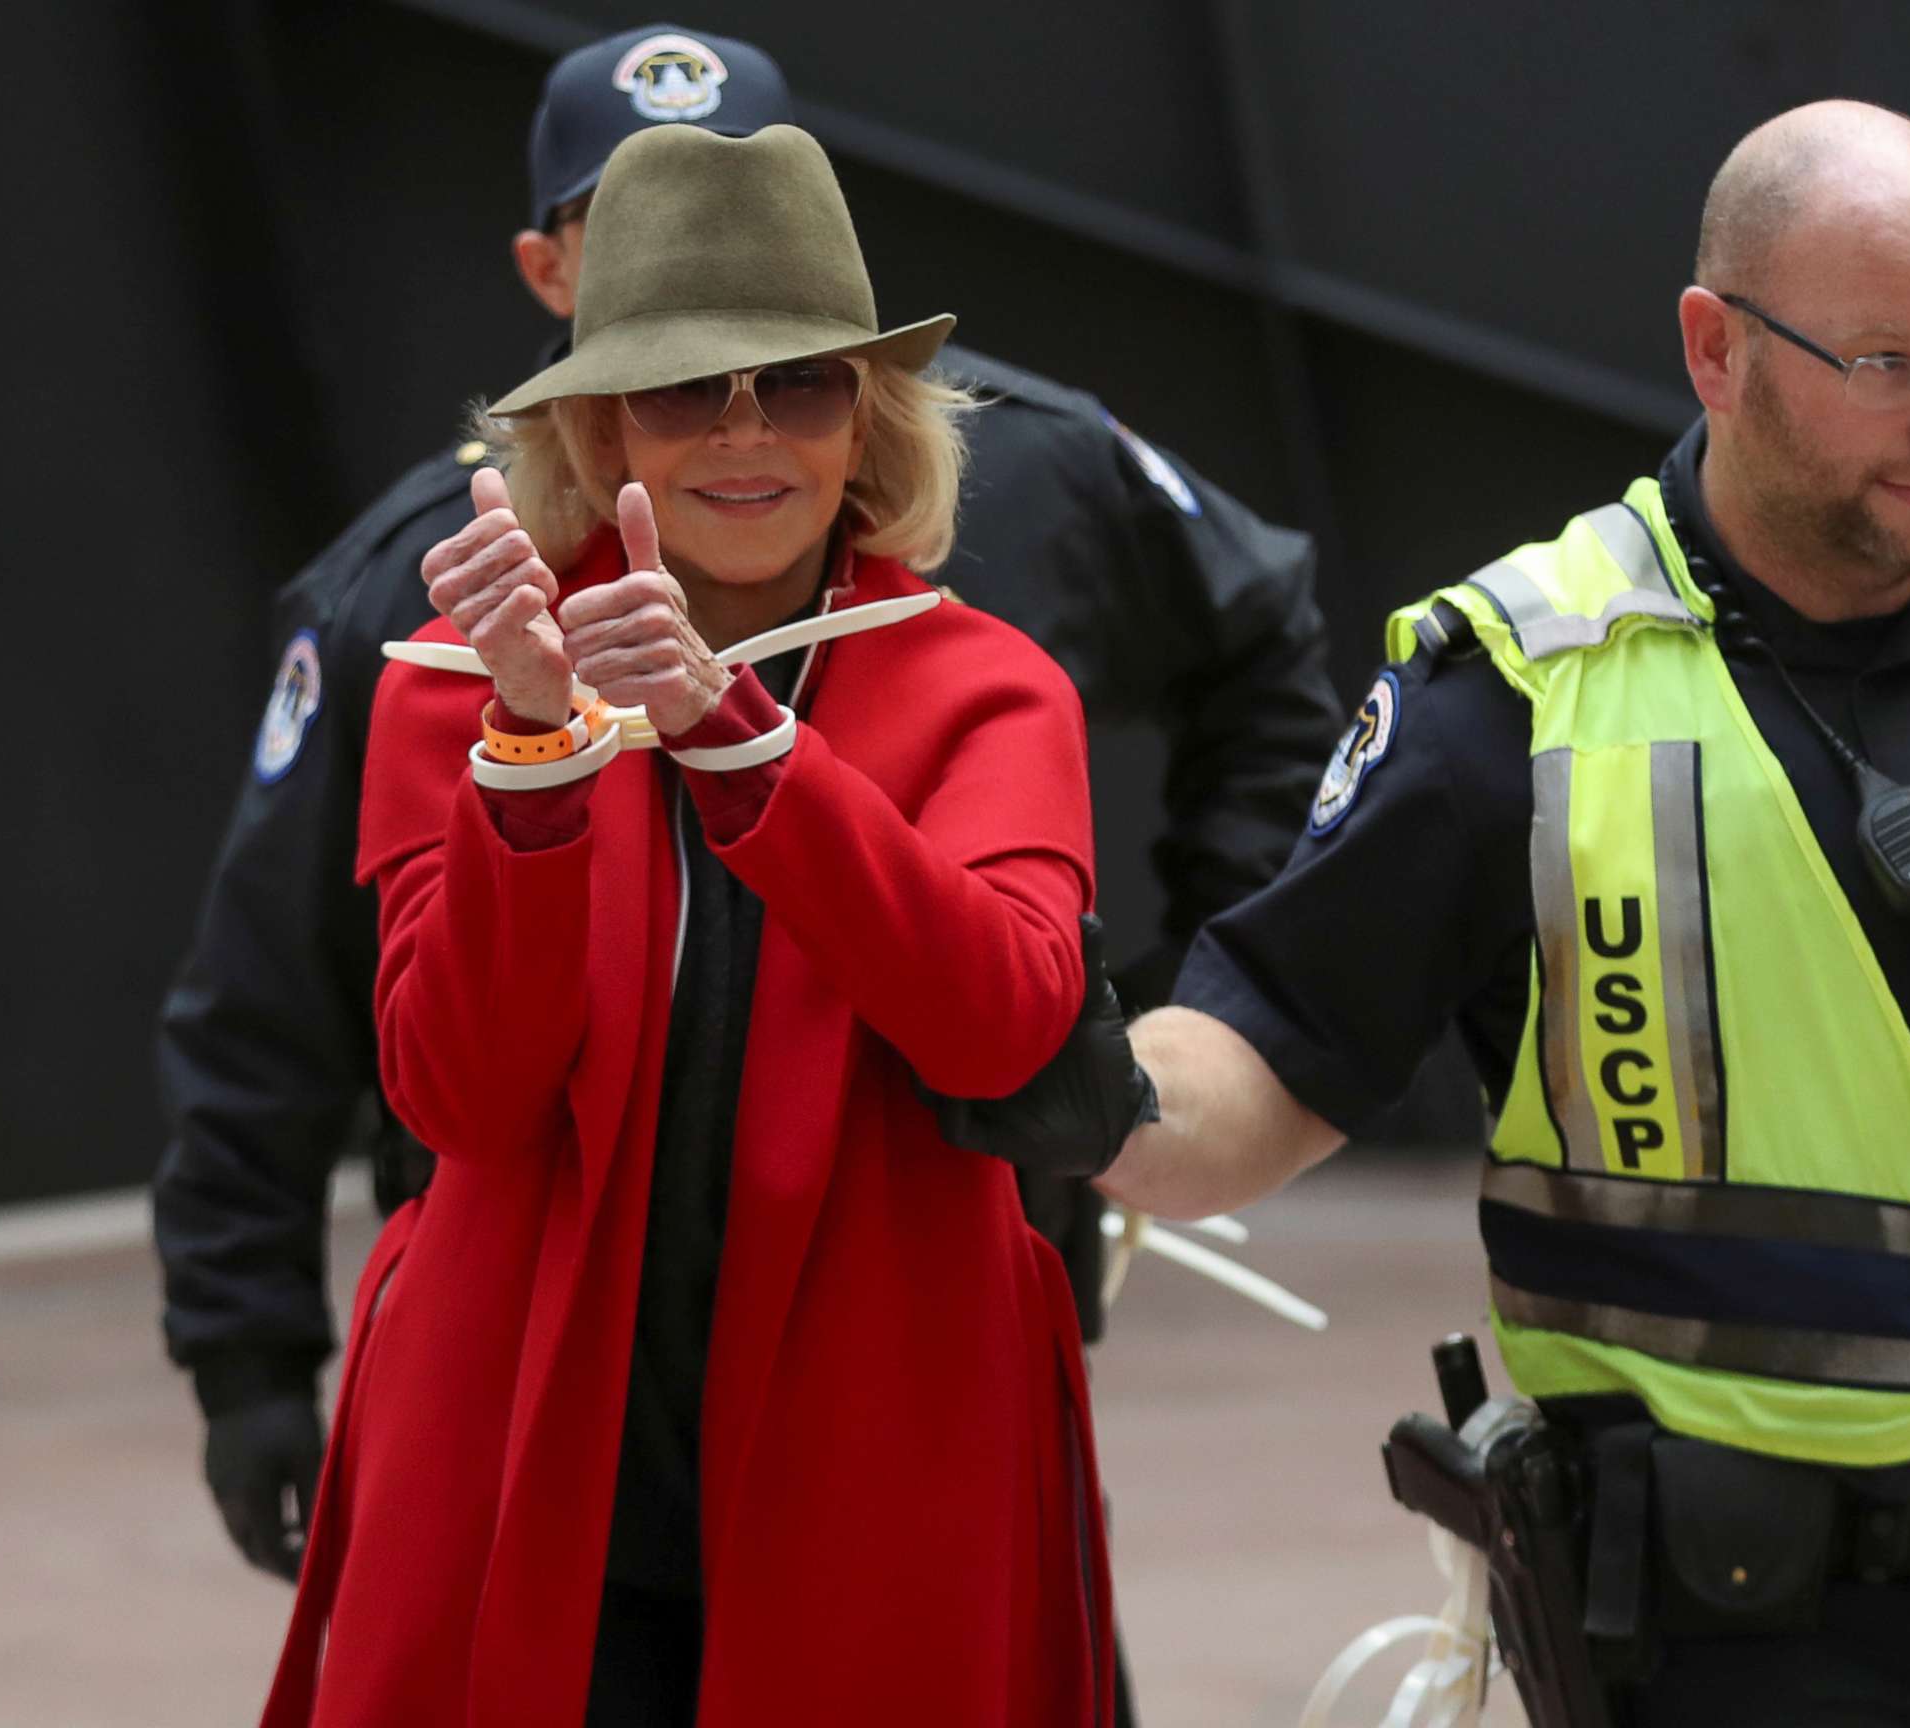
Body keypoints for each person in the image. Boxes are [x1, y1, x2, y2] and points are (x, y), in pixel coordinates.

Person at [989, 101, 1910, 1725]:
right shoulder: (1526, 696)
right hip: (1715, 1639)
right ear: (1714, 347)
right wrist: (1047, 1064)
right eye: (1890, 366)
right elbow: (1257, 1063)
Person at [150, 21, 1337, 1601]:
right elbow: (286, 991)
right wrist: (246, 1352)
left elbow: (1259, 657)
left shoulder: (1035, 482)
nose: (743, 426)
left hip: (920, 1351)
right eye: (630, 226)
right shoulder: (441, 594)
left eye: (796, 374)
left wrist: (1170, 1033)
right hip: (538, 1362)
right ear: (555, 284)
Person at [258, 123, 1112, 1726]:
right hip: (517, 1444)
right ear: (594, 432)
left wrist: (748, 741)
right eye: (677, 391)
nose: (746, 437)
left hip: (883, 1448)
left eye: (797, 383)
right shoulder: (459, 683)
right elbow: (460, 1094)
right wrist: (534, 750)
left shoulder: (990, 684)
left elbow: (1004, 1017)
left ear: (867, 419)